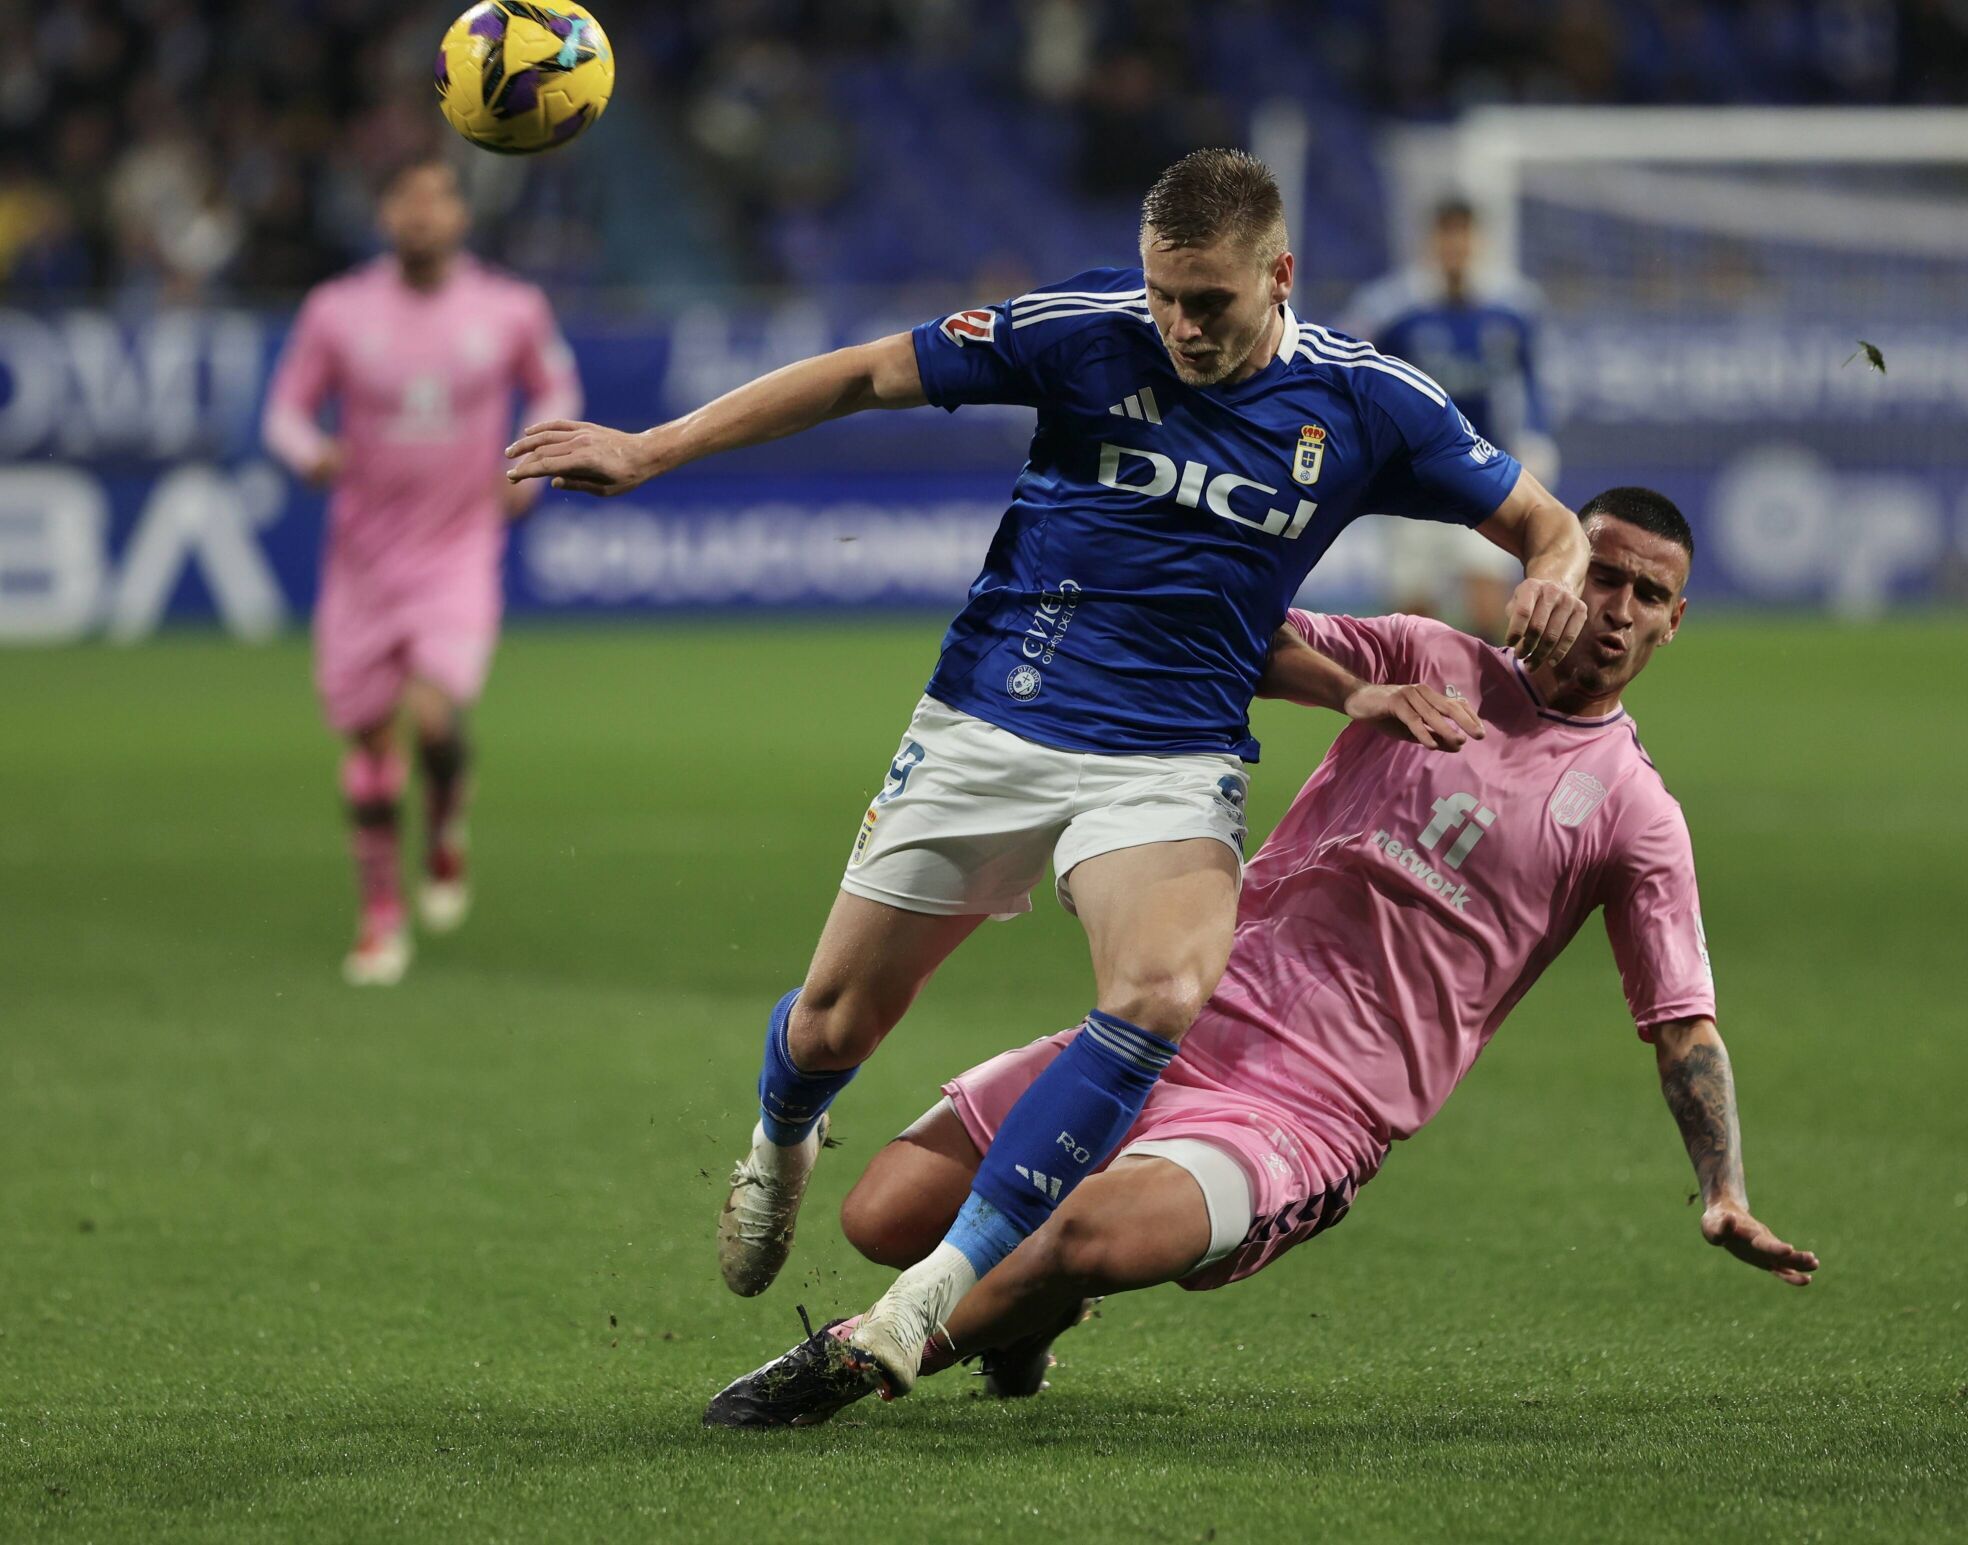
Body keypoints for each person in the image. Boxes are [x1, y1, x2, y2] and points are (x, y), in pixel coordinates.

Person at [506, 148, 1590, 1395]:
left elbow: (1546, 526)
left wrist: (1549, 587)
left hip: (1170, 757)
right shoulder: (1082, 329)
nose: (1179, 326)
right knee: (833, 1021)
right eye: (1163, 295)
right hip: (990, 723)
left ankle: (932, 1301)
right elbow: (865, 373)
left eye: (1210, 302)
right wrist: (652, 450)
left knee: (1161, 992)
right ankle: (781, 1139)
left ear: (1278, 275)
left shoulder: (1367, 402)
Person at [704, 487, 1819, 1428]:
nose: (1614, 610)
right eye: (1602, 576)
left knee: (1085, 1235)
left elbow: (1680, 1022)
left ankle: (849, 1363)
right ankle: (1028, 1311)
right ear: (1557, 568)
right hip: (1175, 1024)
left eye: (1647, 596)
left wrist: (1721, 1190)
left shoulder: (1633, 815)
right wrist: (1317, 664)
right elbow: (1248, 642)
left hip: (1313, 1113)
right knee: (883, 1215)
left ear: (1675, 621)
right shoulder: (1428, 655)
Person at [264, 155, 582, 986]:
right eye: (404, 199)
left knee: (433, 719)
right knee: (370, 740)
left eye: (436, 200)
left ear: (459, 216)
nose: (420, 214)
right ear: (383, 214)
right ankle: (379, 918)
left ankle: (443, 821)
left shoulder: (509, 306)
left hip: (457, 549)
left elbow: (554, 381)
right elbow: (285, 410)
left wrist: (537, 462)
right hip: (364, 560)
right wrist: (308, 452)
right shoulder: (337, 310)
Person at [1346, 198, 1559, 640]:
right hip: (1408, 474)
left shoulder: (1513, 309)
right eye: (1447, 235)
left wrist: (1536, 436)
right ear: (1433, 242)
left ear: (1478, 241)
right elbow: (1354, 373)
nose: (1456, 246)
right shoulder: (1393, 308)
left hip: (1481, 468)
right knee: (1412, 619)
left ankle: (1492, 704)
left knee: (1489, 604)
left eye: (1464, 235)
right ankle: (1420, 704)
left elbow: (1536, 377)